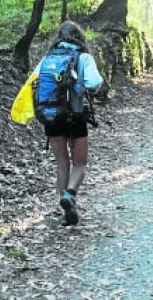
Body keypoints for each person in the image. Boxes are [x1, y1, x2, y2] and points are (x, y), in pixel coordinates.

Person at [31, 21, 104, 226]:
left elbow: (34, 82)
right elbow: (94, 82)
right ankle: (70, 195)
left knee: (62, 163)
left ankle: (63, 210)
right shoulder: (83, 57)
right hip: (75, 116)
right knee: (79, 163)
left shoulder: (48, 58)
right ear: (79, 37)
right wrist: (80, 88)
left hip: (51, 116)